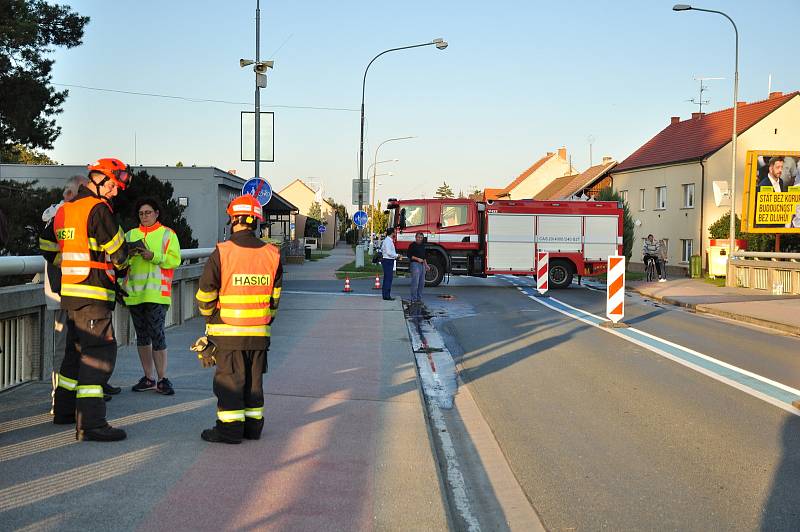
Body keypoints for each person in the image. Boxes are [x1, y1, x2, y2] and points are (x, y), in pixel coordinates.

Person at [39, 158, 132, 442]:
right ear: (100, 179)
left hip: (71, 294)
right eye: (114, 186)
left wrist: (67, 262)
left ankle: (65, 411)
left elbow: (46, 246)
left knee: (74, 355)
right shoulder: (98, 209)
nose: (116, 192)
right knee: (99, 357)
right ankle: (91, 424)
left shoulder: (65, 210)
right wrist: (122, 268)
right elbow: (119, 253)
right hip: (93, 294)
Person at [195, 194, 282, 444]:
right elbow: (274, 298)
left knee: (230, 384)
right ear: (256, 221)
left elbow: (205, 293)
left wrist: (210, 318)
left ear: (233, 219)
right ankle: (253, 428)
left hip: (228, 334)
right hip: (259, 335)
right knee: (254, 384)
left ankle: (229, 431)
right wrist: (265, 320)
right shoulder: (272, 254)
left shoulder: (222, 252)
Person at [124, 197, 182, 395]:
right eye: (141, 213)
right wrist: (127, 257)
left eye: (148, 212)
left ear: (157, 213)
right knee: (141, 337)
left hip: (157, 293)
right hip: (135, 294)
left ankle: (162, 378)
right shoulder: (130, 234)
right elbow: (120, 262)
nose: (144, 216)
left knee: (157, 334)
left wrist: (154, 256)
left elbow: (175, 260)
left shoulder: (168, 234)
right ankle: (148, 377)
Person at [408, 232, 430, 304]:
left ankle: (419, 298)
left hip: (422, 265)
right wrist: (417, 259)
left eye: (421, 237)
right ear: (415, 237)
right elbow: (409, 255)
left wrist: (426, 265)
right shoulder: (412, 245)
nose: (420, 239)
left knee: (422, 282)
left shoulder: (423, 246)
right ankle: (413, 299)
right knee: (415, 282)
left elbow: (424, 257)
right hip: (415, 264)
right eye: (418, 237)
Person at [380, 227, 399, 301]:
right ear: (392, 233)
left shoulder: (388, 240)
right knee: (388, 279)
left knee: (387, 278)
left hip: (388, 260)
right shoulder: (388, 241)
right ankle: (387, 296)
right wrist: (397, 255)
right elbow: (388, 252)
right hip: (388, 261)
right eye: (394, 232)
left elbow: (382, 249)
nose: (395, 233)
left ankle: (386, 295)